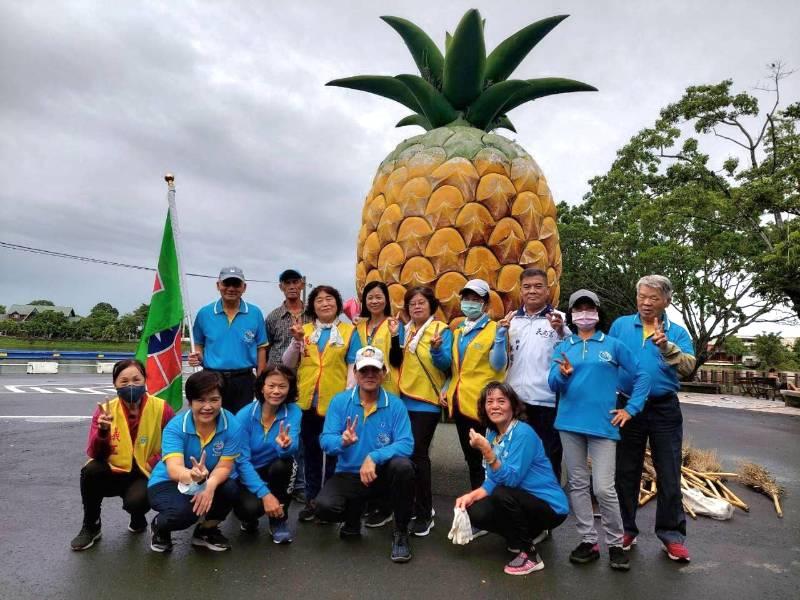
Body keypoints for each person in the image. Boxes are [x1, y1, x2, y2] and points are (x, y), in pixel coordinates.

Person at [548, 289, 651, 571]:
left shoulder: (613, 345)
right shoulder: (563, 346)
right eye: (578, 309)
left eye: (589, 308)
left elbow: (643, 375)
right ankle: (588, 540)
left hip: (604, 425)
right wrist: (562, 375)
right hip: (569, 424)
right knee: (579, 484)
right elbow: (552, 385)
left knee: (604, 488)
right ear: (571, 314)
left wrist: (631, 409)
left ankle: (616, 544)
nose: (584, 313)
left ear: (597, 311)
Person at [609, 275, 696, 562]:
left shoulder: (678, 333)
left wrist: (666, 346)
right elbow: (606, 360)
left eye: (653, 298)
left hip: (663, 408)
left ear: (667, 301)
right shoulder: (621, 325)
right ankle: (625, 529)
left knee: (669, 471)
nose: (646, 303)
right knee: (626, 471)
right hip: (626, 406)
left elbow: (687, 368)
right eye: (642, 296)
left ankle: (671, 536)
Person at [455, 382, 568, 576]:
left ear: (513, 406)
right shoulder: (491, 433)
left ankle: (531, 556)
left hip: (551, 507)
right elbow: (492, 479)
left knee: (502, 494)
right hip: (523, 499)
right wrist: (470, 496)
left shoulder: (523, 433)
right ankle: (526, 535)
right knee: (474, 509)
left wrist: (487, 451)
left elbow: (511, 480)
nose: (495, 406)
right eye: (489, 401)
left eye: (501, 401)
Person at [315, 346, 415, 563]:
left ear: (384, 372)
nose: (369, 375)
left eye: (375, 370)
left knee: (403, 467)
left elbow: (407, 444)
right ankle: (353, 517)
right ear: (355, 373)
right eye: (364, 370)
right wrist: (342, 441)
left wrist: (374, 457)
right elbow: (325, 440)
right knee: (324, 507)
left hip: (381, 475)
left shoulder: (395, 404)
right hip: (349, 474)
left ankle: (400, 532)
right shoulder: (340, 402)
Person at [70, 359, 175, 550]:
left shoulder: (161, 408)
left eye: (136, 379)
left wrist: (153, 462)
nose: (131, 385)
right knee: (90, 470)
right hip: (115, 470)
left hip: (144, 472)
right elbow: (95, 453)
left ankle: (137, 517)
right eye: (124, 381)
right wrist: (102, 431)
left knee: (137, 502)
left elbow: (174, 445)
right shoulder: (105, 410)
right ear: (115, 385)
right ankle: (91, 526)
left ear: (145, 380)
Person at [282, 284, 362, 521]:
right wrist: (296, 342)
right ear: (313, 306)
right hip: (306, 402)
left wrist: (348, 396)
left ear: (337, 304)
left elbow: (352, 366)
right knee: (311, 454)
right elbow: (288, 363)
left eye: (329, 299)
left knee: (335, 453)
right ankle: (311, 500)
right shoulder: (303, 330)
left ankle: (330, 501)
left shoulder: (349, 331)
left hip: (336, 403)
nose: (325, 303)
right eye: (319, 300)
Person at [147, 370, 242, 553]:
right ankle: (160, 527)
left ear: (222, 400)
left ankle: (205, 531)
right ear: (190, 402)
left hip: (207, 479)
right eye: (200, 400)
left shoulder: (232, 425)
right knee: (184, 514)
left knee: (230, 488)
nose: (207, 406)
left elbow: (225, 466)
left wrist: (209, 485)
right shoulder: (175, 427)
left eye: (214, 400)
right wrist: (191, 475)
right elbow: (174, 469)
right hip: (168, 481)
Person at [387, 286, 452, 536]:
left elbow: (447, 365)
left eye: (421, 303)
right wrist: (395, 336)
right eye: (412, 303)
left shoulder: (441, 330)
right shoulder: (407, 329)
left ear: (431, 305)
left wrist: (436, 349)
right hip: (404, 399)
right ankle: (415, 504)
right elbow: (397, 360)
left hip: (427, 400)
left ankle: (426, 512)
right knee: (407, 454)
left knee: (418, 455)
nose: (416, 307)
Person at [498, 267, 569, 483]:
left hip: (546, 401)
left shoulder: (561, 320)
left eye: (538, 286)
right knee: (515, 455)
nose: (532, 291)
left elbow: (572, 354)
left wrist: (561, 331)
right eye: (527, 287)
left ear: (548, 291)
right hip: (515, 400)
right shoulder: (510, 321)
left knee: (548, 456)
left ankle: (550, 509)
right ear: (520, 291)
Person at [445, 279, 507, 492]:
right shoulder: (458, 331)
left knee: (489, 458)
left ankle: (493, 506)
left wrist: (500, 338)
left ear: (486, 304)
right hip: (461, 405)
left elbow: (499, 365)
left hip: (484, 407)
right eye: (467, 299)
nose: (470, 303)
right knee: (472, 461)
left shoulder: (493, 329)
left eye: (476, 299)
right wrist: (446, 386)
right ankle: (480, 506)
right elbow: (456, 367)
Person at [234, 365, 302, 543]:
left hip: (275, 469)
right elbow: (241, 462)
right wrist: (265, 494)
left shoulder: (294, 412)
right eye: (271, 386)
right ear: (262, 387)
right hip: (247, 471)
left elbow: (292, 447)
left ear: (290, 388)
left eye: (282, 386)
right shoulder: (244, 416)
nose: (276, 391)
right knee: (248, 510)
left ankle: (279, 520)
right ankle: (249, 519)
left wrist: (285, 446)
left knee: (286, 464)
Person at [189, 266, 269, 413]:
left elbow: (261, 348)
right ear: (218, 285)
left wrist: (261, 380)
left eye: (236, 284)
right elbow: (199, 344)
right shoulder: (204, 313)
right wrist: (198, 355)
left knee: (240, 422)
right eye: (227, 283)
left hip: (244, 379)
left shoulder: (255, 313)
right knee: (213, 418)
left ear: (244, 287)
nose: (231, 288)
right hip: (212, 378)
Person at [264, 268, 308, 504]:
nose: (291, 286)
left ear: (302, 284)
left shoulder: (313, 316)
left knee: (305, 434)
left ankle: (302, 483)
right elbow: (265, 349)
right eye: (286, 282)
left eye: (295, 282)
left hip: (307, 380)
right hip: (279, 384)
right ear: (281, 286)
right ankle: (282, 481)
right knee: (282, 432)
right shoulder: (272, 317)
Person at [356, 281, 402, 395]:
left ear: (386, 300)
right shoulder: (358, 326)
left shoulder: (395, 324)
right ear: (364, 301)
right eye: (370, 298)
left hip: (388, 387)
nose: (374, 301)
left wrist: (394, 335)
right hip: (362, 386)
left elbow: (397, 361)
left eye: (378, 297)